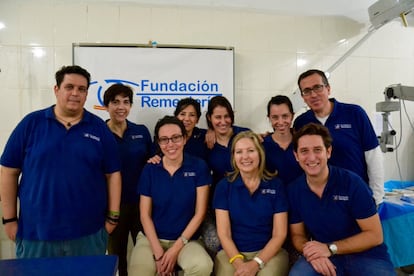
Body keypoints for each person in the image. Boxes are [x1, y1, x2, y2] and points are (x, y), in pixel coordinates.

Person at [0, 65, 121, 258]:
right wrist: (9, 219)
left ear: (87, 94)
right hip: (37, 234)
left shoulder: (99, 128)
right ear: (56, 90)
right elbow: (8, 171)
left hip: (88, 235)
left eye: (81, 89)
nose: (75, 93)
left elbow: (113, 174)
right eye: (69, 87)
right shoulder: (31, 124)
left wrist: (113, 218)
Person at [288, 123, 395, 276]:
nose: (311, 157)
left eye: (317, 150)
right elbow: (297, 235)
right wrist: (311, 252)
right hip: (323, 254)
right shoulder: (294, 190)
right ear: (296, 156)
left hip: (367, 256)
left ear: (328, 152)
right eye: (304, 151)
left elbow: (375, 235)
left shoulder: (352, 184)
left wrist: (330, 248)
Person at [128, 116, 213, 276]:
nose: (171, 144)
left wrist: (175, 249)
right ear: (158, 143)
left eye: (176, 138)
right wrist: (159, 254)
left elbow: (200, 213)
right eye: (164, 140)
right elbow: (144, 215)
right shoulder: (150, 170)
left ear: (185, 138)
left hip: (187, 240)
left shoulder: (199, 166)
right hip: (151, 239)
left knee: (202, 266)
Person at [293, 69, 384, 205]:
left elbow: (373, 155)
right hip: (319, 199)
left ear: (328, 89)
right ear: (303, 97)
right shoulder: (301, 122)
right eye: (307, 91)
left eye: (318, 87)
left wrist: (376, 197)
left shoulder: (354, 114)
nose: (313, 95)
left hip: (355, 196)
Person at [213, 131, 289, 276]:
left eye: (250, 151)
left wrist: (256, 263)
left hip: (270, 253)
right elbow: (224, 234)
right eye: (239, 152)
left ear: (260, 154)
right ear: (234, 157)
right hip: (232, 253)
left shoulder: (276, 185)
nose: (245, 157)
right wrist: (239, 264)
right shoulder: (224, 186)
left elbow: (279, 234)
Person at [104, 83, 153, 276]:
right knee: (117, 256)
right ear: (106, 105)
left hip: (142, 205)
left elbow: (152, 163)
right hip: (113, 207)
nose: (121, 107)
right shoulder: (99, 133)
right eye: (115, 102)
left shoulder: (141, 131)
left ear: (131, 106)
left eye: (126, 102)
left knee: (146, 254)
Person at [203, 95, 250, 257]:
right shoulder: (206, 141)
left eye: (226, 116)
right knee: (215, 242)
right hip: (218, 203)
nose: (223, 122)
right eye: (217, 117)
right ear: (209, 118)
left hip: (246, 201)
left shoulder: (244, 135)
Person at [262, 95, 303, 185]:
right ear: (269, 118)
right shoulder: (261, 146)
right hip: (273, 198)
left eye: (285, 116)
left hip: (299, 196)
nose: (280, 122)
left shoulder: (302, 143)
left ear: (292, 116)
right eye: (275, 117)